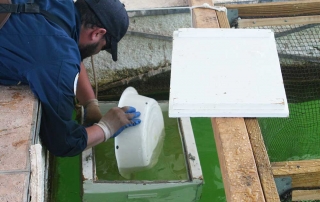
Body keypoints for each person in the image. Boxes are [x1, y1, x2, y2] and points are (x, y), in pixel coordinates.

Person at [0, 0, 141, 156]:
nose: (97, 51)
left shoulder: (61, 5)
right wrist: (107, 128)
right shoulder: (60, 61)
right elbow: (63, 142)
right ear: (97, 34)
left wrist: (90, 102)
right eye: (103, 47)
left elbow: (67, 46)